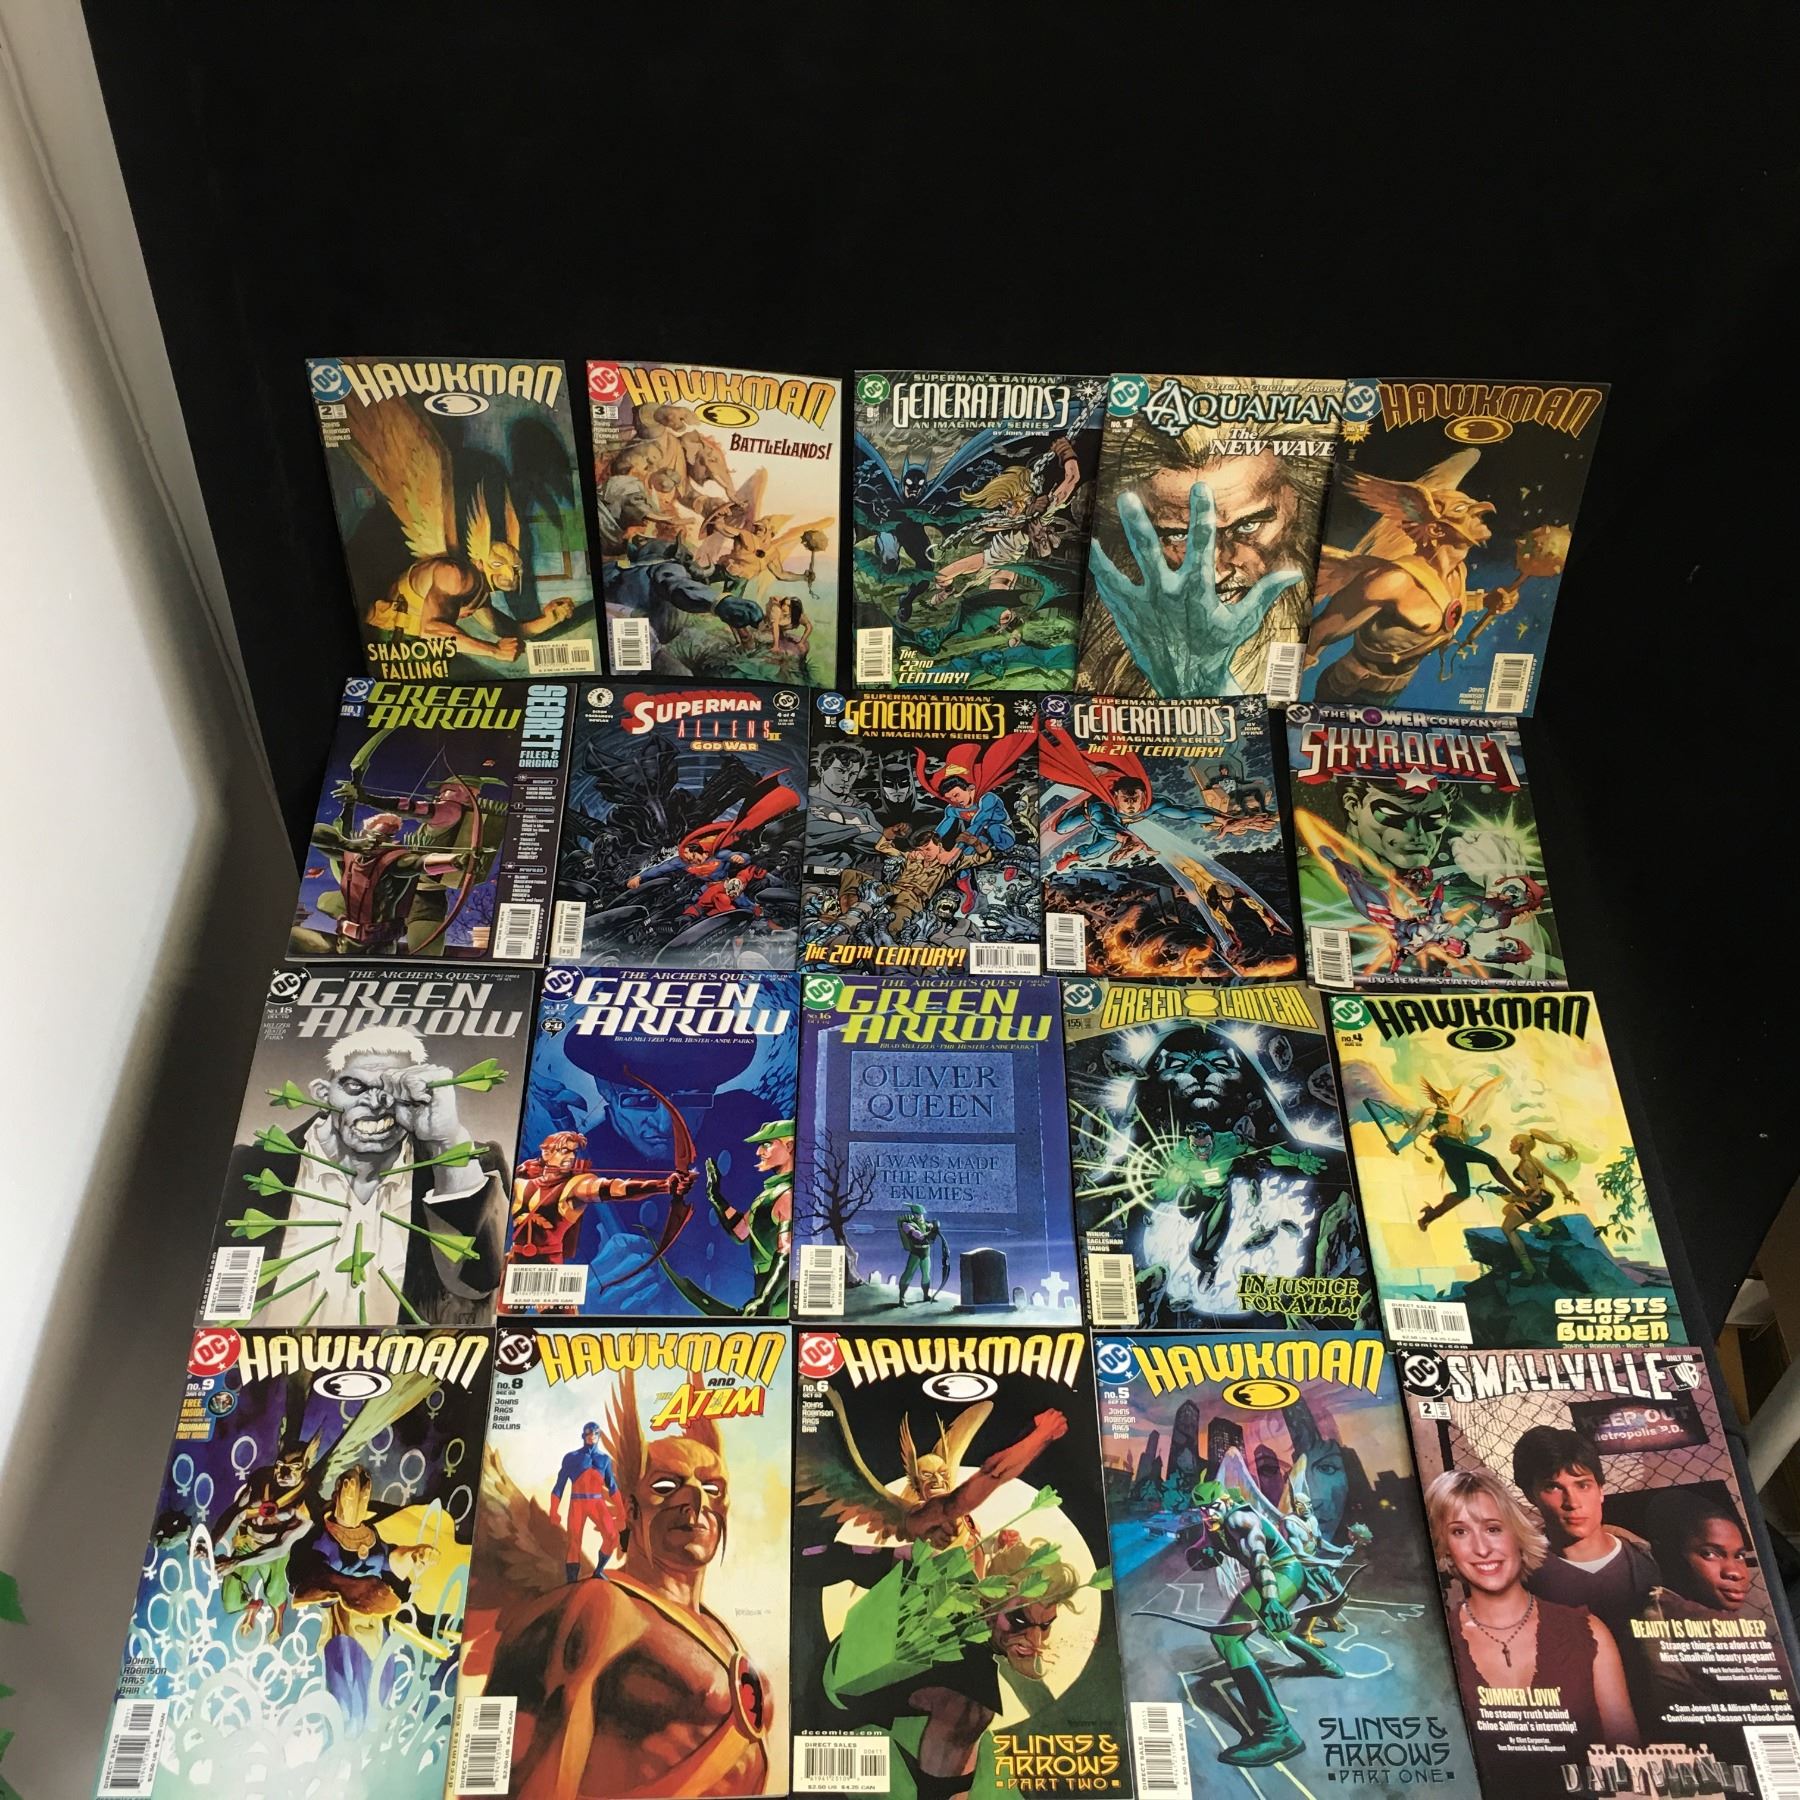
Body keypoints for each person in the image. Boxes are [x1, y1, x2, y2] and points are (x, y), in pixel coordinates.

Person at [1424, 1467, 1638, 1748]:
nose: (1482, 1549)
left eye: (1492, 1529)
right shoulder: (1431, 1650)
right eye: (1460, 1532)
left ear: (1517, 1534)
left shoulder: (1589, 1633)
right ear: (1445, 1546)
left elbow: (1628, 1755)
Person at [1511, 1427, 1662, 1649]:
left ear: (1600, 1490)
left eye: (1583, 1485)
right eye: (1553, 1487)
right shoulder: (1520, 1573)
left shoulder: (1646, 1561)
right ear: (1530, 1495)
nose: (1572, 1502)